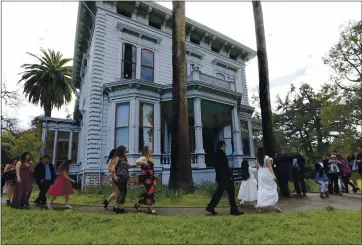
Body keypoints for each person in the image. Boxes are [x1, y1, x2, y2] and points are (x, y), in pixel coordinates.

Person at [206, 141, 243, 216]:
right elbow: (224, 167)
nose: (226, 147)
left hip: (220, 177)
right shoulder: (221, 154)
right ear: (222, 146)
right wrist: (229, 175)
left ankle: (211, 206)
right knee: (231, 193)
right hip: (225, 177)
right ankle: (234, 210)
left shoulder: (216, 154)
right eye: (225, 145)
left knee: (219, 193)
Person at [111, 145, 144, 214]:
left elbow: (128, 166)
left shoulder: (124, 158)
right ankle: (116, 207)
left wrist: (137, 165)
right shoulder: (117, 158)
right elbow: (113, 167)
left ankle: (121, 209)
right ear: (122, 150)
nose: (126, 150)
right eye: (125, 149)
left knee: (124, 193)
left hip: (124, 177)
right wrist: (114, 175)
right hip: (119, 177)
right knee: (123, 193)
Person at [256, 147, 282, 212]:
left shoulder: (257, 159)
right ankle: (276, 205)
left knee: (261, 189)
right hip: (267, 172)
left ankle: (260, 206)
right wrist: (273, 174)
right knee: (273, 188)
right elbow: (269, 166)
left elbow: (257, 168)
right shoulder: (266, 157)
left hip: (260, 173)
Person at [134, 146, 158, 214]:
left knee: (150, 192)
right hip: (146, 178)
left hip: (150, 178)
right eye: (149, 150)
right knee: (150, 192)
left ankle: (139, 204)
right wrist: (145, 163)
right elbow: (137, 161)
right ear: (146, 151)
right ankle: (148, 208)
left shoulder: (149, 158)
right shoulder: (144, 157)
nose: (151, 151)